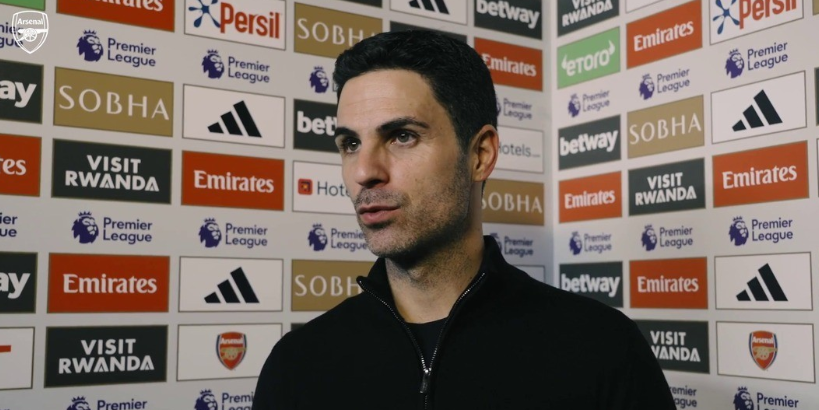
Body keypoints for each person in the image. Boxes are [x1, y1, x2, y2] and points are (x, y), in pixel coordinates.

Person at [252, 31, 675, 410]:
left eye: (402, 136)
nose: (364, 171)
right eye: (350, 143)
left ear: (480, 155)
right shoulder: (297, 365)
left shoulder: (601, 347)